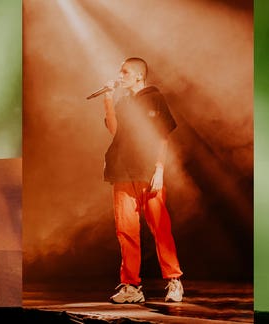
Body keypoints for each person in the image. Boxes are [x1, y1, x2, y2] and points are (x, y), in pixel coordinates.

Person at [100, 57, 184, 303]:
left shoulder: (155, 98)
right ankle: (131, 287)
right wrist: (107, 100)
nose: (120, 75)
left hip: (147, 171)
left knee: (160, 228)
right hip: (122, 171)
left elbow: (162, 137)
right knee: (125, 231)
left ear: (138, 75)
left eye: (124, 71)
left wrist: (159, 168)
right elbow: (115, 131)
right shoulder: (123, 101)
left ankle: (174, 281)